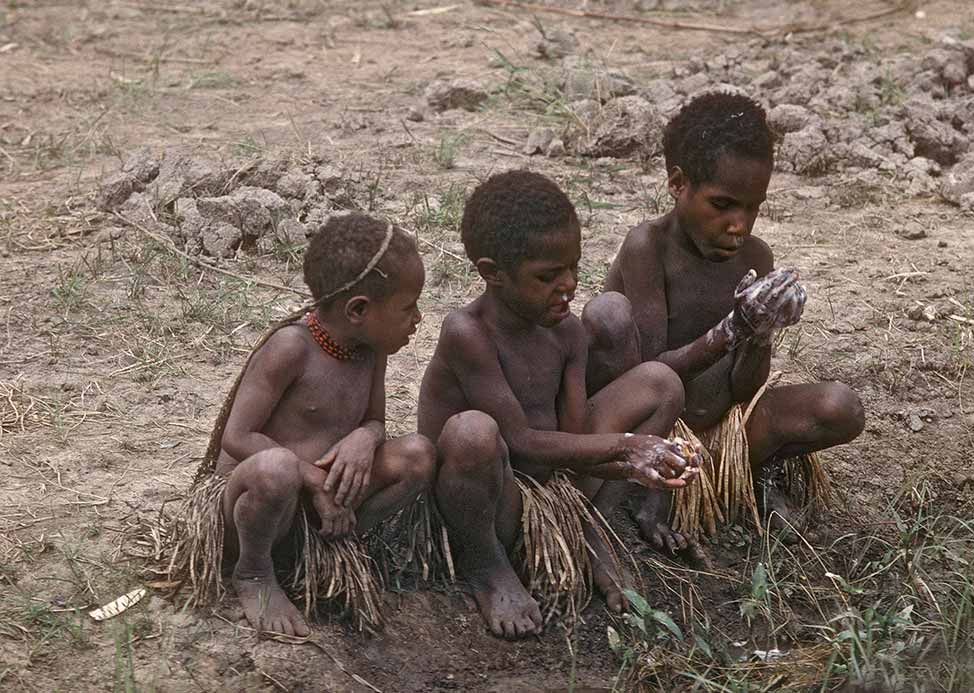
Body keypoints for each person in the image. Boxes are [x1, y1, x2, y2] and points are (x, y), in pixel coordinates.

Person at [418, 170, 700, 640]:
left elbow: (576, 442)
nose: (568, 285)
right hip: (489, 497)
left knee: (660, 383)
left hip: (551, 490)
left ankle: (593, 530)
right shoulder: (466, 333)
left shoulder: (566, 332)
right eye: (548, 276)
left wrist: (635, 465)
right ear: (493, 274)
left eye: (573, 266)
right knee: (472, 431)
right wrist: (628, 446)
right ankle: (486, 565)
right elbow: (521, 443)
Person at [586, 91, 865, 553]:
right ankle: (646, 489)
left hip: (717, 435)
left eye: (752, 208)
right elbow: (653, 374)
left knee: (841, 408)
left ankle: (739, 477)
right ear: (678, 184)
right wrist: (731, 329)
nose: (739, 224)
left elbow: (743, 391)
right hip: (647, 430)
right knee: (610, 319)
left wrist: (760, 333)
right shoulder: (647, 248)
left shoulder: (755, 257)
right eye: (722, 205)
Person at [169, 212, 436, 637]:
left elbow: (375, 419)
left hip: (318, 507)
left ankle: (330, 547)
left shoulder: (371, 349)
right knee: (276, 467)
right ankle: (254, 572)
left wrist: (366, 438)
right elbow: (237, 438)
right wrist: (311, 478)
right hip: (252, 507)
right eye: (408, 307)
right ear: (358, 310)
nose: (418, 318)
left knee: (418, 455)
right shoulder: (291, 348)